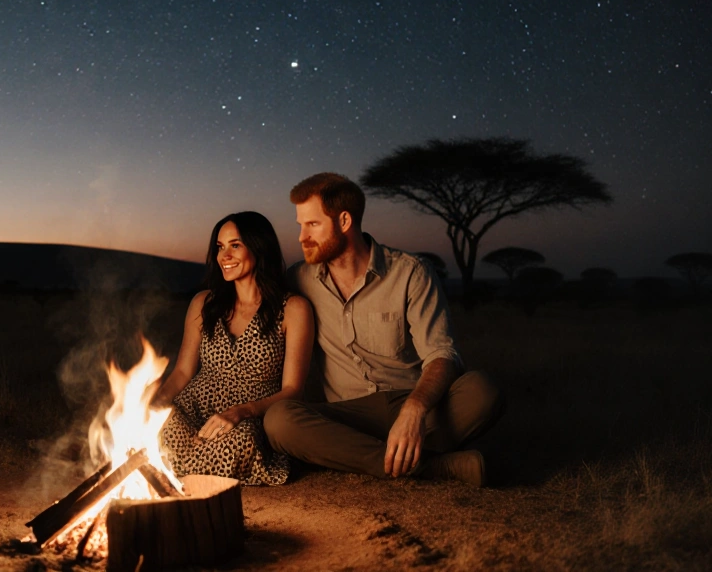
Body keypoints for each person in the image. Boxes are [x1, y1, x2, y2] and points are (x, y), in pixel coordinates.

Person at [263, 173, 504, 487]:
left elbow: (442, 354)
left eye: (312, 225)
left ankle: (364, 452)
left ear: (344, 221)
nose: (301, 237)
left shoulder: (410, 273)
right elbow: (253, 298)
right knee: (279, 421)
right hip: (347, 415)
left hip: (414, 401)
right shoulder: (299, 279)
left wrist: (415, 410)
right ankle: (433, 467)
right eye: (300, 225)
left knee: (484, 391)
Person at [154, 211, 314, 485]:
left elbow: (293, 390)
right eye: (220, 247)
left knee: (243, 442)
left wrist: (241, 411)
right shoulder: (204, 303)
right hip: (194, 408)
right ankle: (189, 469)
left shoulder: (293, 309)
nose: (224, 256)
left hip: (250, 416)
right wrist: (153, 407)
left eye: (235, 245)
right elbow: (182, 372)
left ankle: (178, 470)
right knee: (163, 425)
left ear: (259, 247)